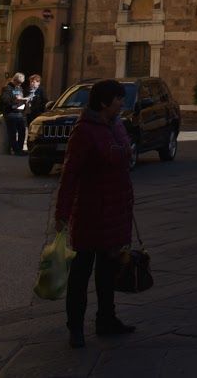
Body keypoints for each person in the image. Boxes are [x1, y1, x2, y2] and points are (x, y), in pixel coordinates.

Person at [54, 79, 137, 348]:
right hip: (90, 211)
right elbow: (70, 174)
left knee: (107, 271)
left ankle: (106, 319)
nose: (122, 103)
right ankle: (75, 327)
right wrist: (62, 212)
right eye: (118, 99)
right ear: (104, 102)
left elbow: (125, 160)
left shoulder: (118, 126)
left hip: (114, 210)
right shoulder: (84, 131)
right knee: (81, 273)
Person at [1, 73, 29, 155]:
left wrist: (24, 101)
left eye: (21, 83)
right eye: (18, 82)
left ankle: (20, 149)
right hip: (10, 113)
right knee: (12, 132)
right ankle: (16, 150)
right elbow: (4, 100)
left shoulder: (19, 88)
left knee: (22, 131)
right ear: (14, 80)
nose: (19, 84)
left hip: (19, 112)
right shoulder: (7, 88)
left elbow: (21, 96)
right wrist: (15, 101)